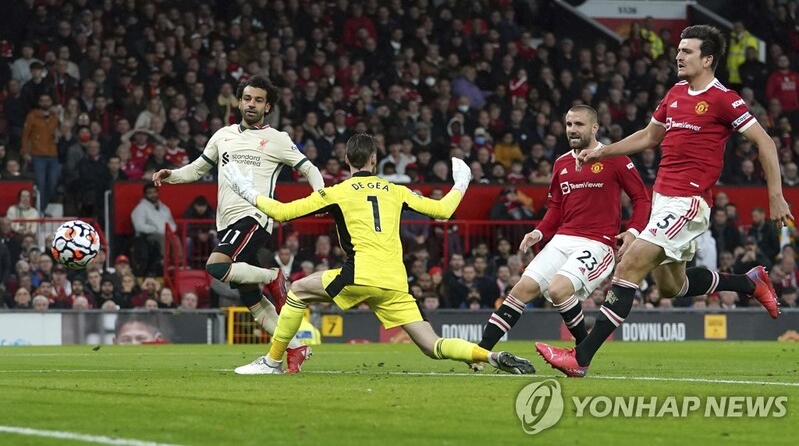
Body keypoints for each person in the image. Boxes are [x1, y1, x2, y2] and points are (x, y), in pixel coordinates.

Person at [536, 25, 793, 377]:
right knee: (673, 286)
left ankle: (580, 358)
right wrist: (603, 151)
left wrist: (775, 196)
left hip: (688, 201)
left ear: (707, 59)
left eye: (687, 51)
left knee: (629, 266)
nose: (678, 55)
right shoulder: (674, 93)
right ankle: (750, 282)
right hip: (663, 200)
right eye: (679, 50)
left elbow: (766, 143)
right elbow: (648, 136)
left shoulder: (723, 99)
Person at [225, 134, 534, 375]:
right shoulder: (395, 189)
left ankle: (272, 360)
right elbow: (443, 210)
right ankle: (491, 355)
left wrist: (245, 190)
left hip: (360, 273)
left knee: (299, 291)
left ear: (346, 159)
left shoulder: (337, 192)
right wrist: (461, 182)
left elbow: (281, 212)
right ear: (374, 160)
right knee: (431, 344)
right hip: (396, 282)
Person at [153, 74, 324, 373]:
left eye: (258, 100)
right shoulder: (223, 136)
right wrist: (172, 175)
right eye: (247, 98)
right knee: (251, 298)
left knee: (215, 266)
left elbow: (309, 168)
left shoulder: (278, 139)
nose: (251, 104)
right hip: (226, 222)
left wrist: (320, 196)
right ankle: (295, 345)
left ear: (267, 106)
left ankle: (272, 275)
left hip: (254, 217)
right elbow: (197, 169)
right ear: (239, 101)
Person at [478, 105, 650, 354]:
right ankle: (480, 354)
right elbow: (556, 207)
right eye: (569, 124)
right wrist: (539, 232)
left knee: (558, 289)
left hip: (597, 242)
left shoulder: (614, 157)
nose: (572, 130)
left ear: (594, 127)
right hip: (562, 239)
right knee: (520, 290)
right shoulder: (561, 163)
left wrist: (633, 232)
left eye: (579, 124)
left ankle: (582, 352)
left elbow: (642, 199)